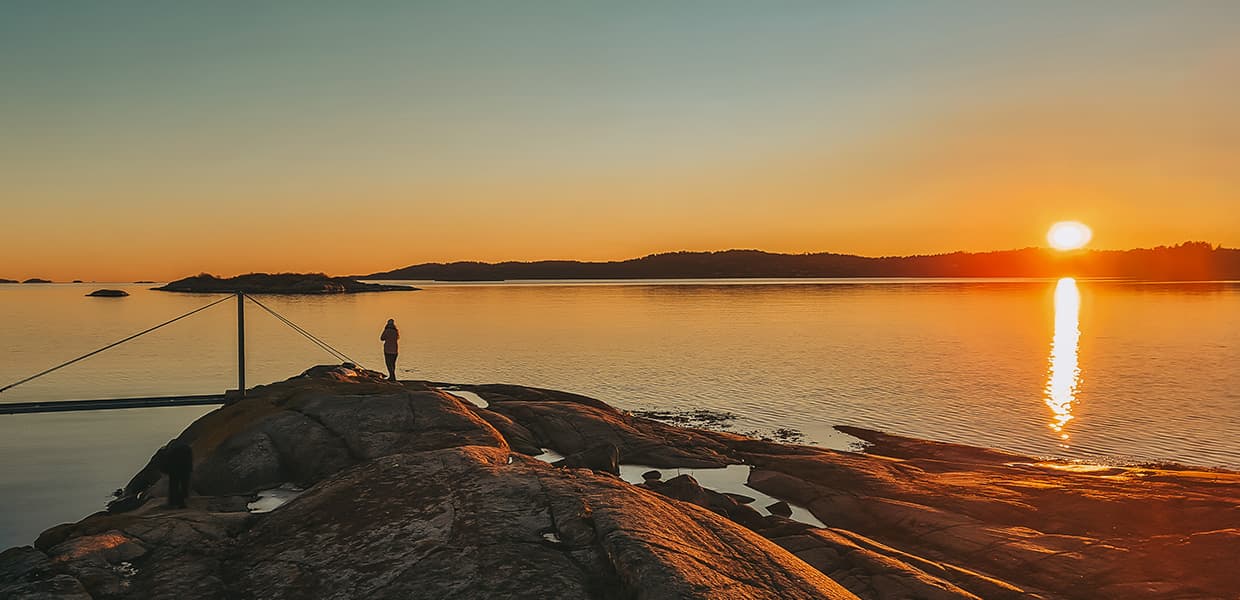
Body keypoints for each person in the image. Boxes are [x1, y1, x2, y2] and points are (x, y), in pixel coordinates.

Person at [158, 439, 193, 509]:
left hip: (175, 469)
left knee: (173, 485)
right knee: (184, 484)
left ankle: (173, 502)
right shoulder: (185, 448)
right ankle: (183, 501)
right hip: (185, 467)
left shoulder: (170, 451)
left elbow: (166, 462)